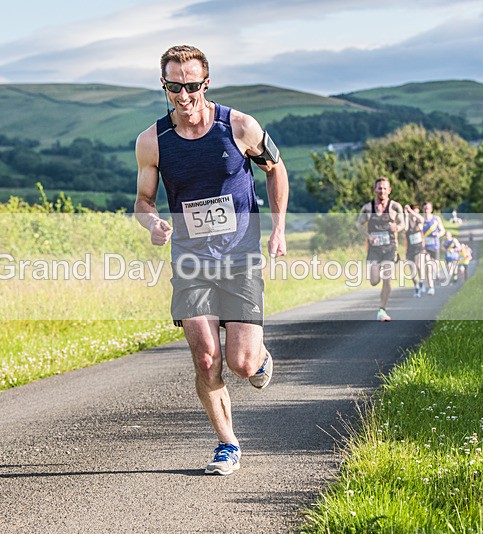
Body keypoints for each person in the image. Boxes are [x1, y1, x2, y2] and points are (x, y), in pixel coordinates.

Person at [134, 45, 289, 476]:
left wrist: (278, 228)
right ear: (163, 85)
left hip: (240, 258)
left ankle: (259, 358)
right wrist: (152, 223)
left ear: (206, 83)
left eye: (190, 86)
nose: (182, 96)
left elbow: (275, 168)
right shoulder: (152, 141)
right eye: (173, 87)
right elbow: (143, 200)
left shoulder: (239, 127)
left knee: (242, 364)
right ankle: (227, 443)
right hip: (191, 261)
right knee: (206, 359)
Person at [356, 177, 405, 322]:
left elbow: (403, 224)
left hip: (390, 247)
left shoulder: (395, 207)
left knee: (387, 278)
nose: (382, 191)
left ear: (389, 190)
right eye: (379, 188)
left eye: (384, 188)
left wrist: (396, 227)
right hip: (374, 249)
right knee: (374, 280)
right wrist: (368, 236)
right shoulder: (367, 208)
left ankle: (382, 310)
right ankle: (381, 309)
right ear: (374, 190)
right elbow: (358, 224)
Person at [421, 201, 445, 295]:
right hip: (425, 247)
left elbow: (442, 230)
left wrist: (438, 234)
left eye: (428, 208)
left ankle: (436, 274)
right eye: (424, 208)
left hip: (434, 246)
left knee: (434, 266)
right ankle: (431, 287)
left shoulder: (436, 219)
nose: (426, 210)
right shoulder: (421, 220)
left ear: (431, 209)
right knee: (428, 266)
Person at [403, 204, 427, 298]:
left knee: (418, 265)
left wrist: (411, 211)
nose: (415, 214)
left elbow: (422, 219)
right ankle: (416, 286)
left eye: (416, 212)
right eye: (413, 212)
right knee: (412, 270)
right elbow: (405, 229)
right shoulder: (407, 222)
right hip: (410, 249)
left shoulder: (419, 222)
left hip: (419, 248)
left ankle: (421, 281)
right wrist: (406, 215)